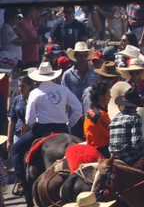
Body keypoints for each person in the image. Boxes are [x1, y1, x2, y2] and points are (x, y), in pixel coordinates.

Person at [12, 62, 83, 190]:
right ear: (52, 75)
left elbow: (29, 119)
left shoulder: (35, 92)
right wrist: (69, 124)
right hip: (62, 128)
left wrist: (34, 123)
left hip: (41, 129)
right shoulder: (64, 90)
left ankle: (22, 182)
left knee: (16, 149)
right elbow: (78, 109)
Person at [108, 87, 144, 166]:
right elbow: (136, 143)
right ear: (136, 106)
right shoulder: (135, 118)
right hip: (129, 159)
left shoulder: (115, 118)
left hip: (113, 157)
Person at [83, 79, 113, 156]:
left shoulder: (91, 110)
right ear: (101, 96)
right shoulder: (100, 115)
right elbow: (111, 133)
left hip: (92, 145)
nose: (110, 96)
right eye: (108, 94)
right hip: (102, 150)